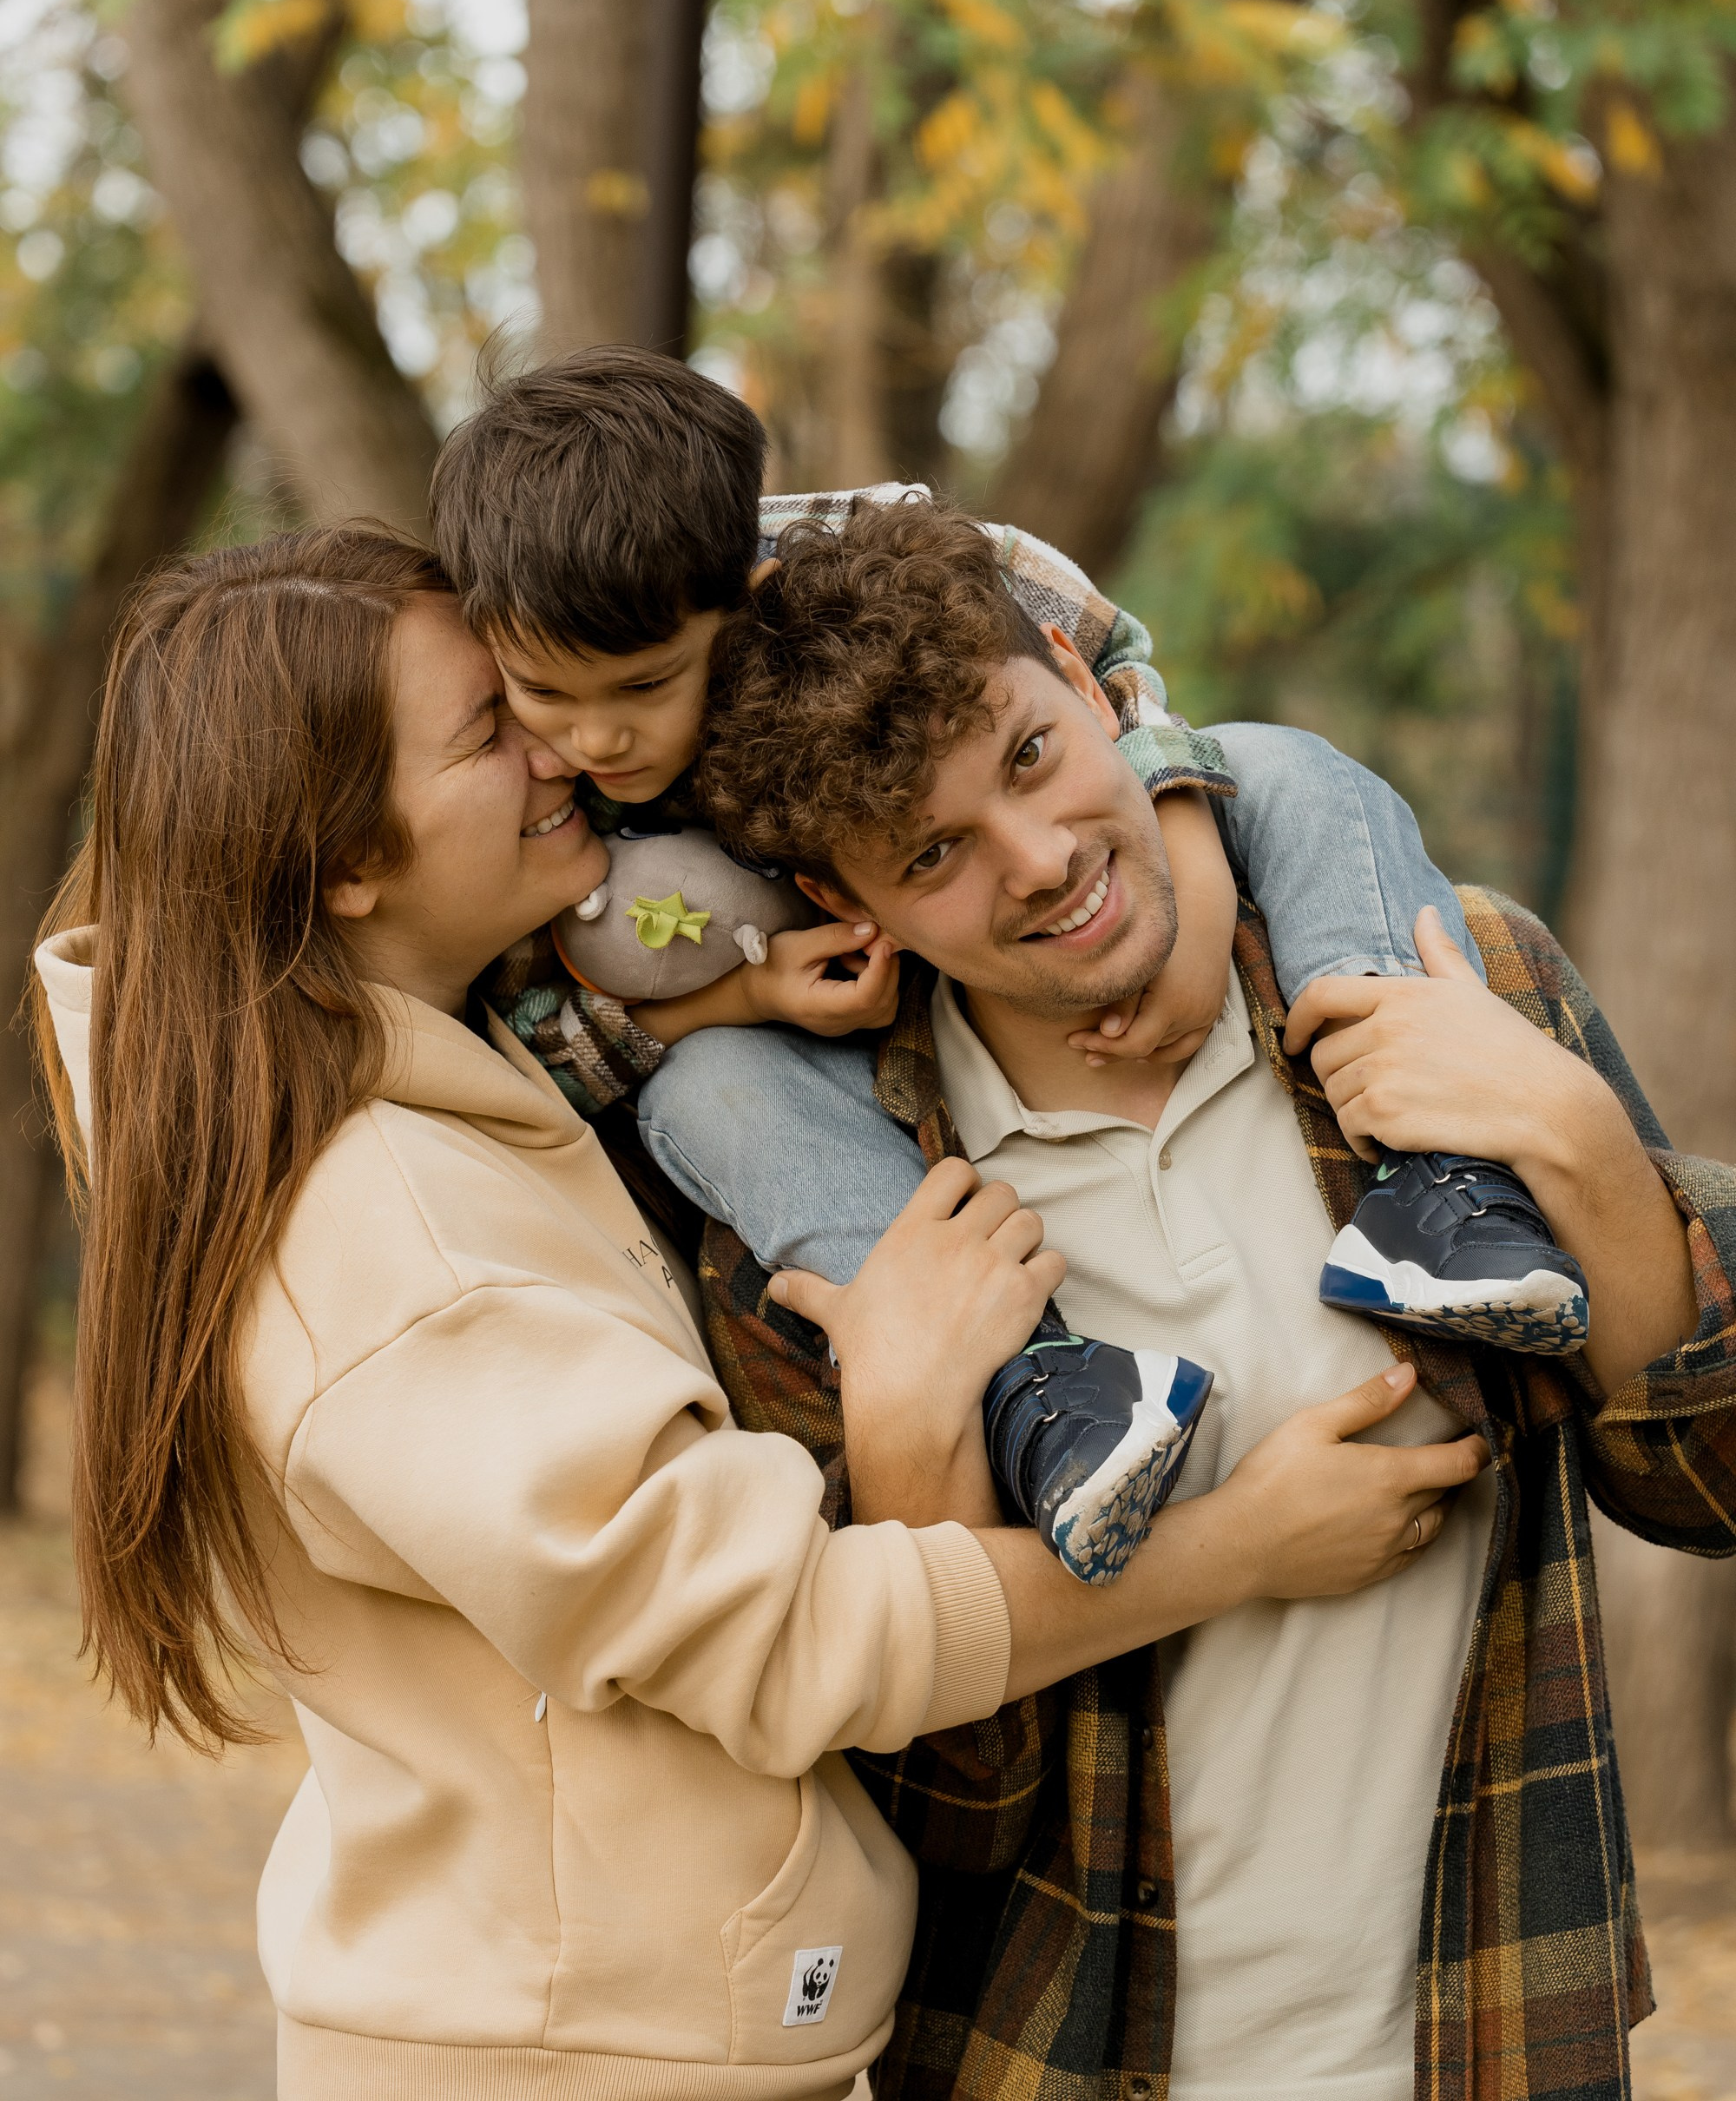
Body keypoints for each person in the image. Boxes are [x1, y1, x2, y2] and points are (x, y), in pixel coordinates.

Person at [30, 524, 1478, 2101]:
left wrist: (1179, 820)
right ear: (347, 861)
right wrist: (1245, 1544)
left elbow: (746, 565)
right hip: (574, 2067)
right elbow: (786, 1635)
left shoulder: (474, 1079)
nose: (567, 745)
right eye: (491, 727)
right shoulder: (392, 1245)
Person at [691, 491, 1736, 2101]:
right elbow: (939, 1818)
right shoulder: (846, 1218)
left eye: (1028, 758)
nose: (1040, 866)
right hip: (1051, 2062)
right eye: (934, 854)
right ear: (859, 909)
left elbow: (1711, 1480)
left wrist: (1580, 1145)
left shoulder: (1457, 977)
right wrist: (910, 1459)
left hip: (1488, 2041)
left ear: (1087, 677)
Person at [434, 346, 1581, 1584]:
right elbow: (535, 1027)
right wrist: (740, 996)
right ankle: (1045, 1390)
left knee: (1286, 762)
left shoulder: (847, 562)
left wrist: (1191, 902)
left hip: (1011, 939)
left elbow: (1112, 662)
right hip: (842, 1048)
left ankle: (1443, 1179)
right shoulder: (532, 767)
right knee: (704, 1092)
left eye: (646, 689)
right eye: (546, 695)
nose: (594, 738)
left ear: (740, 588)